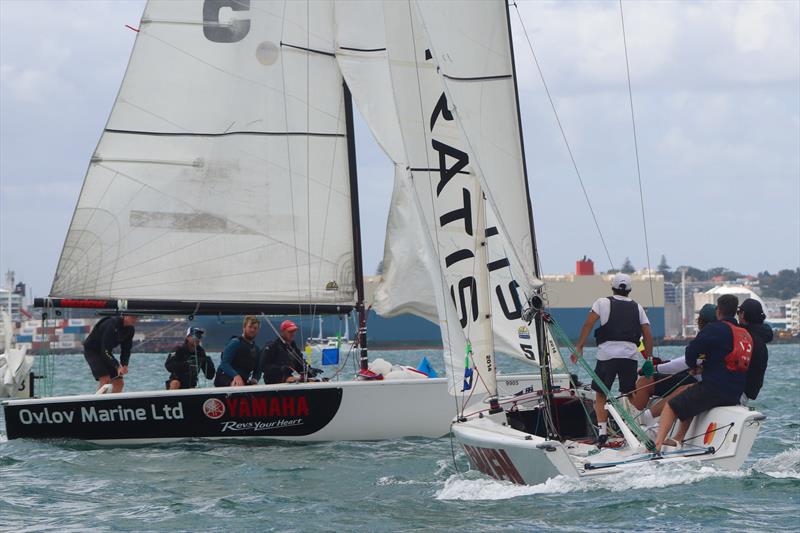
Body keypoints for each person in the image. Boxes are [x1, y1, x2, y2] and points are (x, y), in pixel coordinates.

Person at [654, 294, 752, 451]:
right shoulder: (744, 334)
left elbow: (691, 353)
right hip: (735, 393)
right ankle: (679, 439)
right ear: (735, 312)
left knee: (670, 406)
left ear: (718, 310)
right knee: (690, 399)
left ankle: (656, 446)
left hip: (714, 390)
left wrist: (693, 367)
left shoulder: (715, 329)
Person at [573, 273, 653, 445]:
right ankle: (636, 430)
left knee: (601, 393)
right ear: (630, 290)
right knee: (630, 393)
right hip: (629, 356)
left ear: (613, 287)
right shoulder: (637, 307)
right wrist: (650, 358)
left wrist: (579, 346)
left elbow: (588, 324)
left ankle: (602, 434)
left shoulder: (601, 302)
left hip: (607, 356)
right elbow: (647, 333)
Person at [629, 303, 717, 415]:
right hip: (696, 378)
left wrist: (655, 368)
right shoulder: (713, 336)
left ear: (700, 321)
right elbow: (690, 360)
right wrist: (665, 364)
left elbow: (686, 363)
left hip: (700, 383)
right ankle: (638, 416)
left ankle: (645, 418)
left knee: (646, 380)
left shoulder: (708, 338)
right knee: (647, 381)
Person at [82, 314, 137, 393]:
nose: (135, 319)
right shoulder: (112, 324)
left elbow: (126, 350)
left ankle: (114, 404)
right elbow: (105, 350)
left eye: (137, 317)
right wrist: (117, 366)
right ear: (125, 316)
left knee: (119, 383)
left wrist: (124, 365)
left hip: (105, 352)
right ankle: (98, 404)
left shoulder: (130, 330)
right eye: (133, 317)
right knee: (105, 380)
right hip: (92, 351)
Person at [738, 298, 772, 402]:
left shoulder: (744, 337)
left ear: (743, 315)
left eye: (738, 313)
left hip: (736, 390)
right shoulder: (760, 338)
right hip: (747, 393)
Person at [214, 316, 261, 387]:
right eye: (250, 327)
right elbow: (224, 363)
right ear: (244, 327)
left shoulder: (256, 349)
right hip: (226, 377)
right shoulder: (235, 342)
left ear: (258, 330)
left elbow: (258, 369)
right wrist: (236, 375)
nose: (252, 330)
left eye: (255, 328)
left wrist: (255, 379)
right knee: (236, 384)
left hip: (243, 379)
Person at [260, 320, 308, 384]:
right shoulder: (272, 346)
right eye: (290, 331)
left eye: (294, 331)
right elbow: (263, 366)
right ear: (282, 332)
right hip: (274, 383)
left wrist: (309, 369)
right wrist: (281, 369)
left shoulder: (294, 348)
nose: (293, 333)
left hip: (290, 380)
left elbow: (300, 364)